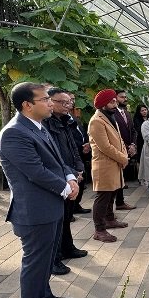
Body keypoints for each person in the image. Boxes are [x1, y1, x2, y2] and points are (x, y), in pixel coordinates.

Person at [0, 82, 77, 298]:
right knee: (35, 262)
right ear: (27, 105)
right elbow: (35, 171)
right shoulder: (14, 133)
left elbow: (56, 160)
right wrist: (65, 188)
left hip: (50, 206)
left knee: (45, 259)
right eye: (45, 99)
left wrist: (70, 177)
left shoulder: (37, 127)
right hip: (35, 210)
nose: (50, 102)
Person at [43, 88, 88, 274]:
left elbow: (73, 148)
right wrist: (68, 173)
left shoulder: (67, 121)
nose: (68, 105)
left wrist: (78, 168)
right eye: (63, 102)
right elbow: (53, 155)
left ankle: (68, 247)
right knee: (56, 219)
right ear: (51, 102)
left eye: (69, 101)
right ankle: (54, 258)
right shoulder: (45, 124)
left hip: (71, 174)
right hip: (59, 177)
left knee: (67, 216)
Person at [88, 89, 131, 243]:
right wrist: (123, 158)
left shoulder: (109, 117)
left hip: (114, 163)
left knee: (112, 193)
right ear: (102, 104)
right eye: (112, 101)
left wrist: (124, 156)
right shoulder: (96, 121)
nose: (115, 103)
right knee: (103, 197)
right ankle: (99, 230)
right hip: (105, 165)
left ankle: (109, 219)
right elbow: (104, 147)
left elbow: (118, 140)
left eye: (115, 101)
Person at [112, 90, 137, 210]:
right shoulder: (112, 114)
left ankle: (120, 201)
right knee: (117, 176)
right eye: (122, 97)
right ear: (115, 99)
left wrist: (133, 144)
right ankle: (118, 202)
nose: (125, 99)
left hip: (128, 148)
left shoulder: (126, 113)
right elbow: (115, 134)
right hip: (118, 149)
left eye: (125, 97)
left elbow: (133, 130)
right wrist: (126, 146)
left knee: (123, 176)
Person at [68, 98, 91, 214]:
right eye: (69, 99)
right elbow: (69, 140)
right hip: (71, 156)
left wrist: (87, 143)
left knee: (81, 182)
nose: (71, 102)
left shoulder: (74, 118)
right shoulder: (61, 119)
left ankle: (76, 206)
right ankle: (70, 210)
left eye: (72, 100)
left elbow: (82, 133)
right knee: (74, 182)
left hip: (80, 154)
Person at [133, 104, 149, 180]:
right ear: (139, 112)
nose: (144, 112)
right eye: (142, 110)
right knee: (140, 159)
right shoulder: (136, 119)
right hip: (141, 141)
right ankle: (141, 177)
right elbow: (139, 130)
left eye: (145, 110)